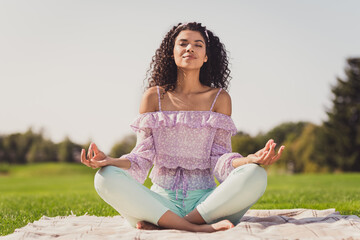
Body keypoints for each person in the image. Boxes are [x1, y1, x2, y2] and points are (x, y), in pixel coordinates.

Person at [81, 22, 285, 233]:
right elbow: (142, 157)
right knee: (105, 177)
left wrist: (249, 160)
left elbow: (220, 157)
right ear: (173, 53)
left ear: (206, 56)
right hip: (160, 204)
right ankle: (196, 228)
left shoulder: (219, 99)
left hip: (207, 205)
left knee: (256, 175)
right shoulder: (153, 97)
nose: (190, 48)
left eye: (198, 45)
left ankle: (173, 224)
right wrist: (110, 161)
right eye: (183, 43)